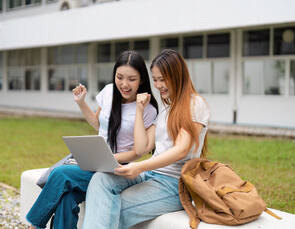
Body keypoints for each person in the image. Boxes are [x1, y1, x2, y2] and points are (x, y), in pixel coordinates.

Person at [26, 50, 158, 229]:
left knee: (60, 174)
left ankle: (33, 226)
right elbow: (98, 124)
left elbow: (138, 152)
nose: (124, 84)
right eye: (119, 77)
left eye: (131, 79)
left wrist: (107, 160)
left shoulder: (148, 109)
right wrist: (81, 103)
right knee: (67, 198)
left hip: (117, 170)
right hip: (94, 161)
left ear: (142, 79)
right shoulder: (109, 91)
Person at [82, 49, 210, 229]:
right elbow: (143, 147)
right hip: (151, 174)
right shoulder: (166, 109)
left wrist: (140, 166)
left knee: (109, 206)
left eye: (163, 79)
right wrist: (140, 110)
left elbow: (181, 149)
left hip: (174, 184)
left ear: (178, 76)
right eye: (155, 79)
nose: (158, 85)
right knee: (100, 179)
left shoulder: (195, 104)